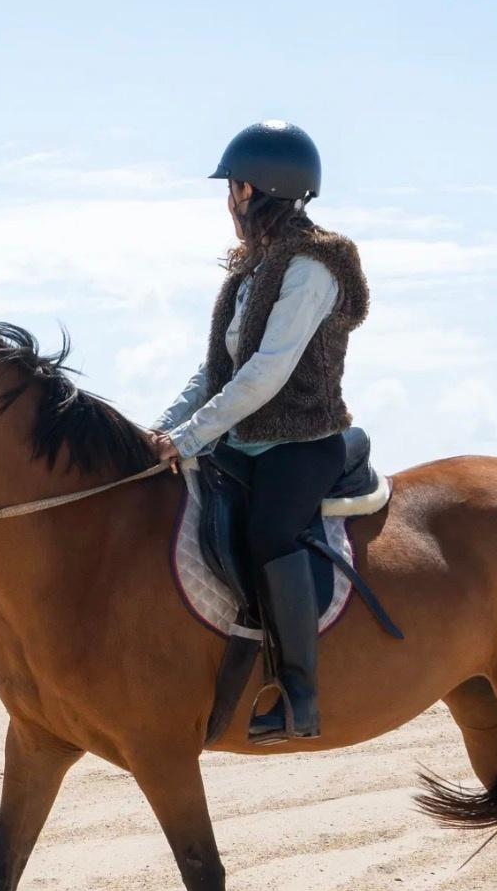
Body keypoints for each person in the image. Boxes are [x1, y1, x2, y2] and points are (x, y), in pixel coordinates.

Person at [151, 121, 370, 743]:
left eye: (233, 189)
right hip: (242, 440)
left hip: (304, 441)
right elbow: (216, 370)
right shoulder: (252, 271)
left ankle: (300, 694)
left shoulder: (311, 267)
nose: (228, 202)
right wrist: (163, 430)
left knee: (270, 532)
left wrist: (190, 436)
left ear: (253, 191)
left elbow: (266, 372)